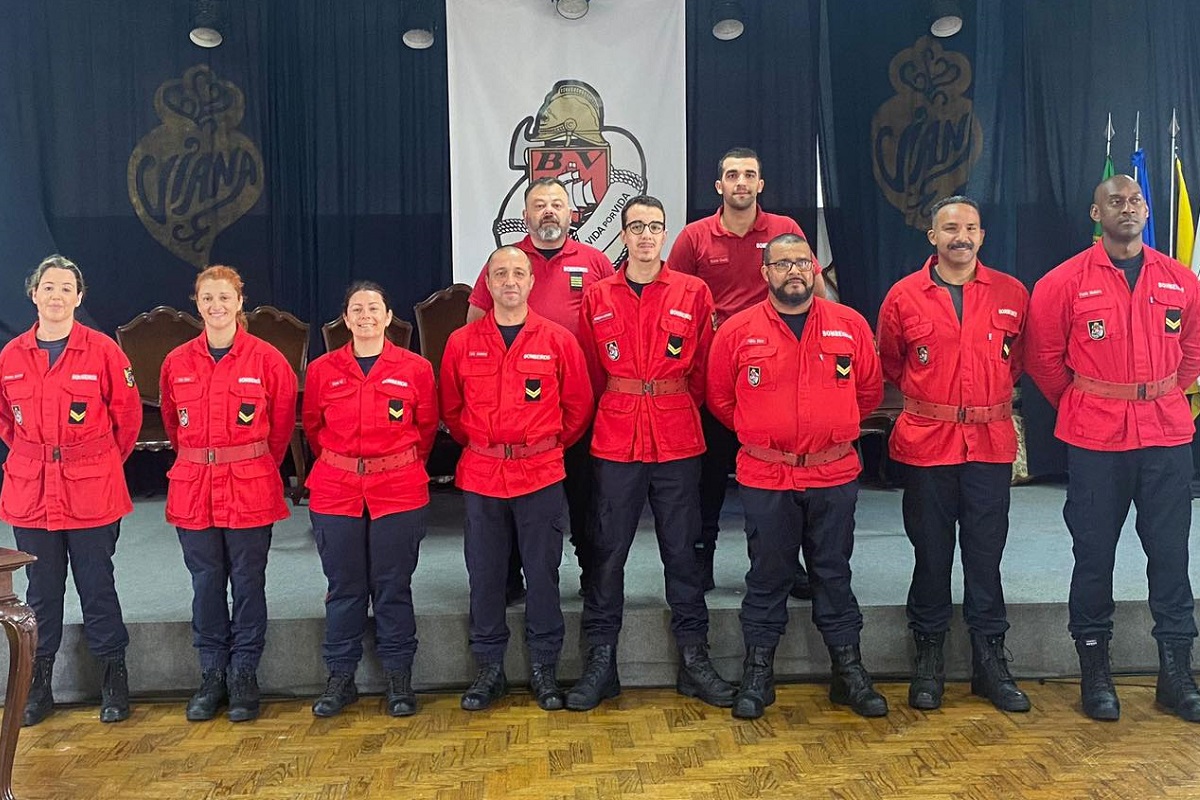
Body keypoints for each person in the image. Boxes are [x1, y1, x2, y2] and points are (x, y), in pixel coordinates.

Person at [1026, 174, 1200, 723]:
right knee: (1094, 558)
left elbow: (1192, 351)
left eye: (1135, 201)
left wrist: (1156, 393)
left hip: (1166, 435)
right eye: (1115, 202)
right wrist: (1091, 400)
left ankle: (1176, 675)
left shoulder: (1179, 279)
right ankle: (1095, 673)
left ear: (1147, 211)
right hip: (1095, 438)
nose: (1127, 208)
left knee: (1171, 559)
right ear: (1094, 213)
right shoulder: (1063, 282)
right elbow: (1044, 361)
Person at [706, 233, 885, 720]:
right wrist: (766, 431)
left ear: (814, 269)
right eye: (781, 263)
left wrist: (830, 429)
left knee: (833, 573)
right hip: (767, 475)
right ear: (764, 274)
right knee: (766, 577)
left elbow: (867, 392)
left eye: (801, 262)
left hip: (833, 472)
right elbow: (722, 399)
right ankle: (758, 672)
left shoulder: (849, 325)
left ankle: (848, 672)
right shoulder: (738, 331)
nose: (793, 271)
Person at [569, 195, 734, 711]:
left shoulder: (693, 290)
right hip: (616, 436)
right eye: (635, 226)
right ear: (621, 236)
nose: (645, 235)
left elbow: (707, 369)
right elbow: (591, 371)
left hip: (677, 435)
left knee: (683, 553)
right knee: (606, 552)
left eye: (655, 227)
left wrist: (677, 403)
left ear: (665, 235)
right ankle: (600, 662)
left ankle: (694, 660)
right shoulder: (597, 296)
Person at [876, 196, 1031, 713]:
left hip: (988, 446)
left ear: (981, 236)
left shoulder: (1012, 293)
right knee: (931, 557)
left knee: (986, 560)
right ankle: (929, 658)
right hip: (927, 446)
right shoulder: (903, 296)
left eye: (969, 228)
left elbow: (1018, 363)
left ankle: (991, 662)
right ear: (932, 237)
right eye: (949, 228)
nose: (960, 237)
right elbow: (893, 363)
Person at [441, 246, 594, 711]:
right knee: (485, 576)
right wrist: (492, 444)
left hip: (541, 472)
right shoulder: (461, 342)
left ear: (531, 282)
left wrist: (538, 444)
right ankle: (489, 669)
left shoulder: (557, 340)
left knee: (543, 575)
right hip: (484, 474)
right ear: (487, 284)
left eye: (518, 273)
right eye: (500, 274)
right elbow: (452, 409)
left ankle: (545, 669)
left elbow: (577, 408)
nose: (509, 281)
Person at [0, 254, 142, 726]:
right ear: (34, 294)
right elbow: (7, 423)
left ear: (79, 298)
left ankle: (113, 679)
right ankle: (37, 685)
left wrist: (93, 464)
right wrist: (40, 459)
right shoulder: (11, 355)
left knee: (97, 588)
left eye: (66, 288)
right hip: (31, 495)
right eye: (48, 287)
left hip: (92, 493)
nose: (57, 295)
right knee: (40, 593)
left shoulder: (103, 351)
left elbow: (128, 419)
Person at [670, 147, 819, 596]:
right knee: (708, 477)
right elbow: (674, 301)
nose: (740, 182)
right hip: (715, 377)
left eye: (749, 175)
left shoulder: (785, 231)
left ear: (760, 185)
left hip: (774, 376)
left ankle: (787, 564)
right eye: (731, 175)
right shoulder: (694, 237)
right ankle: (701, 561)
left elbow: (807, 288)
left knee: (783, 477)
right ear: (719, 186)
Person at [160, 265, 298, 723]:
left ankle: (243, 675)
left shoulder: (267, 360)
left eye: (224, 298)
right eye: (207, 299)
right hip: (194, 488)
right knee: (204, 585)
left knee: (248, 583)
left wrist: (249, 464)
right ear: (196, 305)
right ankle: (211, 674)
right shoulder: (176, 362)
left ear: (240, 302)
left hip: (250, 486)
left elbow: (279, 432)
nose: (216, 306)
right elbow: (172, 426)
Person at [466, 178, 612, 603]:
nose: (548, 211)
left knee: (587, 500)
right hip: (518, 416)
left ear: (572, 214)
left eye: (557, 205)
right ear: (526, 215)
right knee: (514, 505)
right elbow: (476, 326)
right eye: (539, 205)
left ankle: (592, 575)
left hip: (580, 409)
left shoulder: (595, 262)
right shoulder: (506, 263)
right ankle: (510, 579)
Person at [302, 281, 438, 718]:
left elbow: (427, 428)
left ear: (387, 317)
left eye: (373, 308)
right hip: (336, 490)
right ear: (345, 318)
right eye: (356, 308)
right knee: (343, 589)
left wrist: (391, 464)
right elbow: (313, 427)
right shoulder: (323, 369)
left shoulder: (415, 368)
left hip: (397, 488)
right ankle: (340, 678)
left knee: (393, 587)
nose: (365, 316)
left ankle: (399, 679)